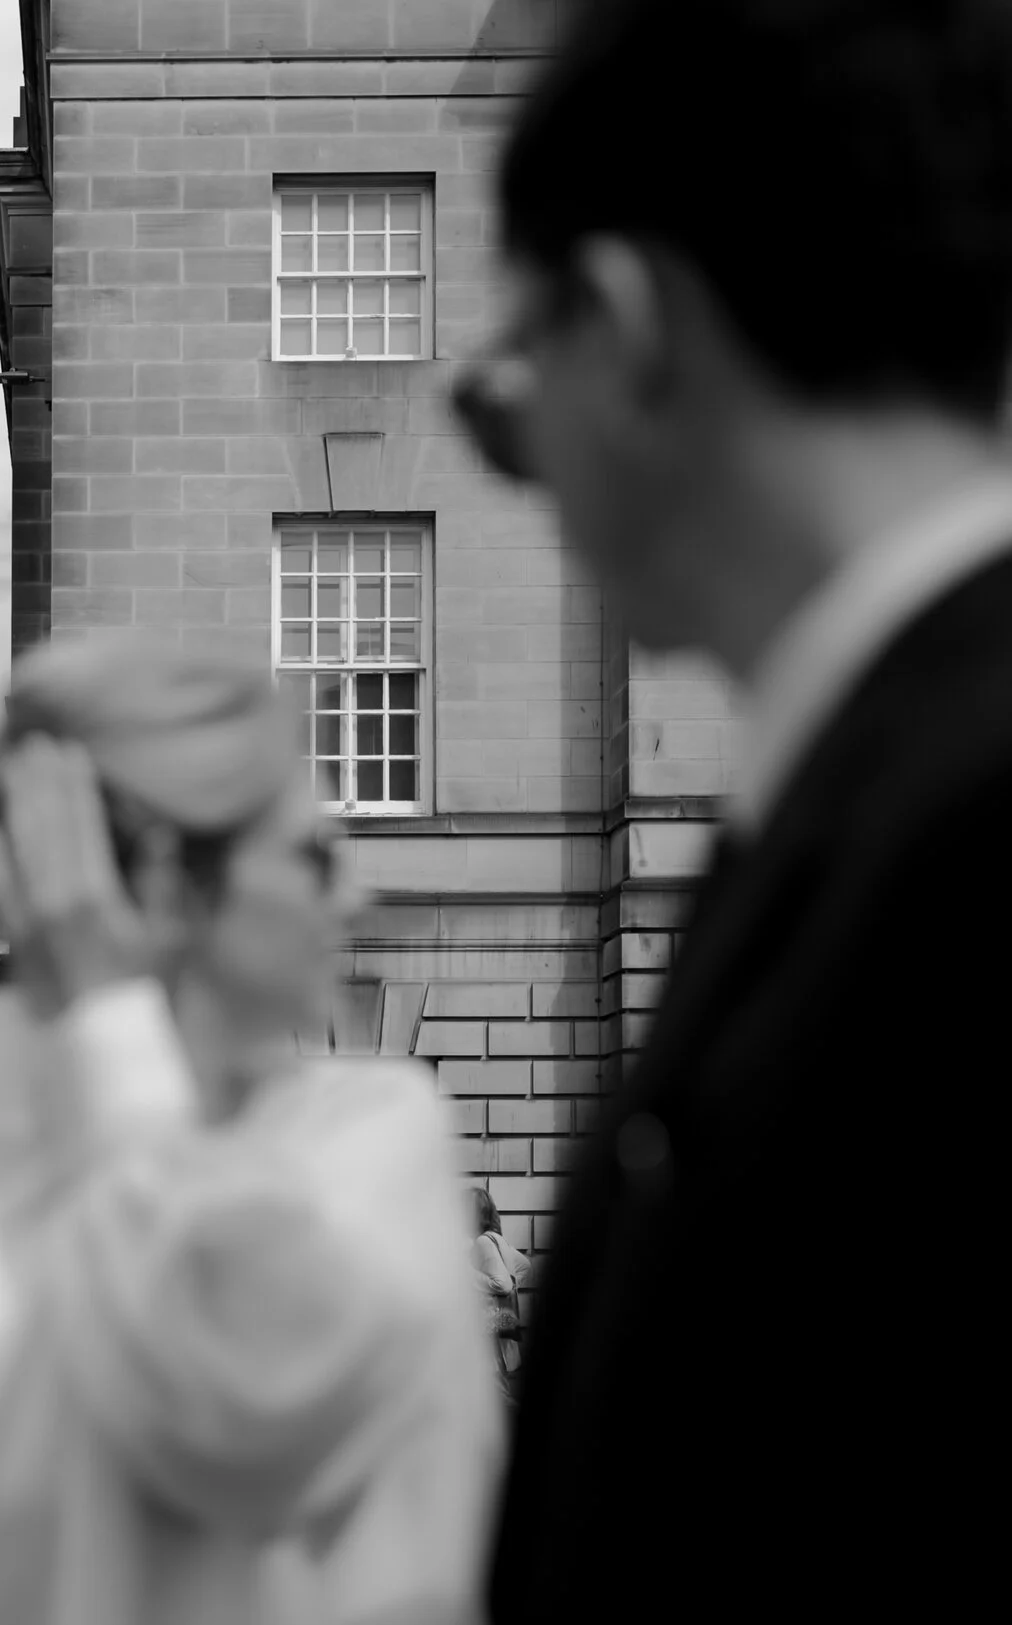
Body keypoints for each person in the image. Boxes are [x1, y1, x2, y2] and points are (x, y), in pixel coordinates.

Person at [449, 3, 1012, 1618]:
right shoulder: (859, 787)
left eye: (506, 388)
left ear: (624, 328)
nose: (524, 458)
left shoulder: (952, 818)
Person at [0, 645, 498, 1625]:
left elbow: (248, 1397)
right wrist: (109, 990)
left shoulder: (373, 1135)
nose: (350, 893)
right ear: (154, 877)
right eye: (310, 852)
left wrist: (104, 1002)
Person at [470, 1189, 528, 1397]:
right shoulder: (495, 1238)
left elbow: (501, 1284)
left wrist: (471, 1275)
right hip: (499, 1323)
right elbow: (524, 1265)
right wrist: (510, 1287)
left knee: (495, 1394)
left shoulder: (482, 1242)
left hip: (489, 1326)